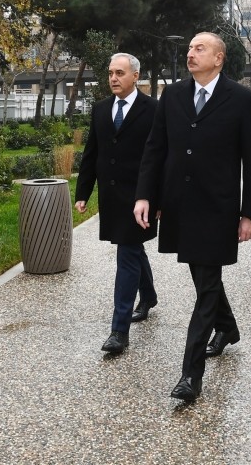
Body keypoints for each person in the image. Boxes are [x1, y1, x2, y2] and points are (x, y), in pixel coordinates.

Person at [134, 32, 251, 401]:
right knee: (203, 276)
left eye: (199, 48)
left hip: (218, 208)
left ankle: (191, 375)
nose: (191, 53)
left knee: (206, 285)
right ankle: (228, 327)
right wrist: (145, 195)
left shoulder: (241, 99)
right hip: (179, 204)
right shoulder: (173, 95)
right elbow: (155, 149)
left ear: (219, 58)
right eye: (190, 48)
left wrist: (249, 213)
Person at [75, 53, 158, 354]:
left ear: (135, 76)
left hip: (140, 197)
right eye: (110, 73)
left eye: (120, 73)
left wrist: (158, 198)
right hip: (111, 197)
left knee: (127, 254)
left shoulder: (153, 109)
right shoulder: (101, 109)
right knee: (132, 249)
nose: (113, 78)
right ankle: (149, 296)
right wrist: (83, 192)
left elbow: (160, 156)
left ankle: (118, 331)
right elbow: (92, 152)